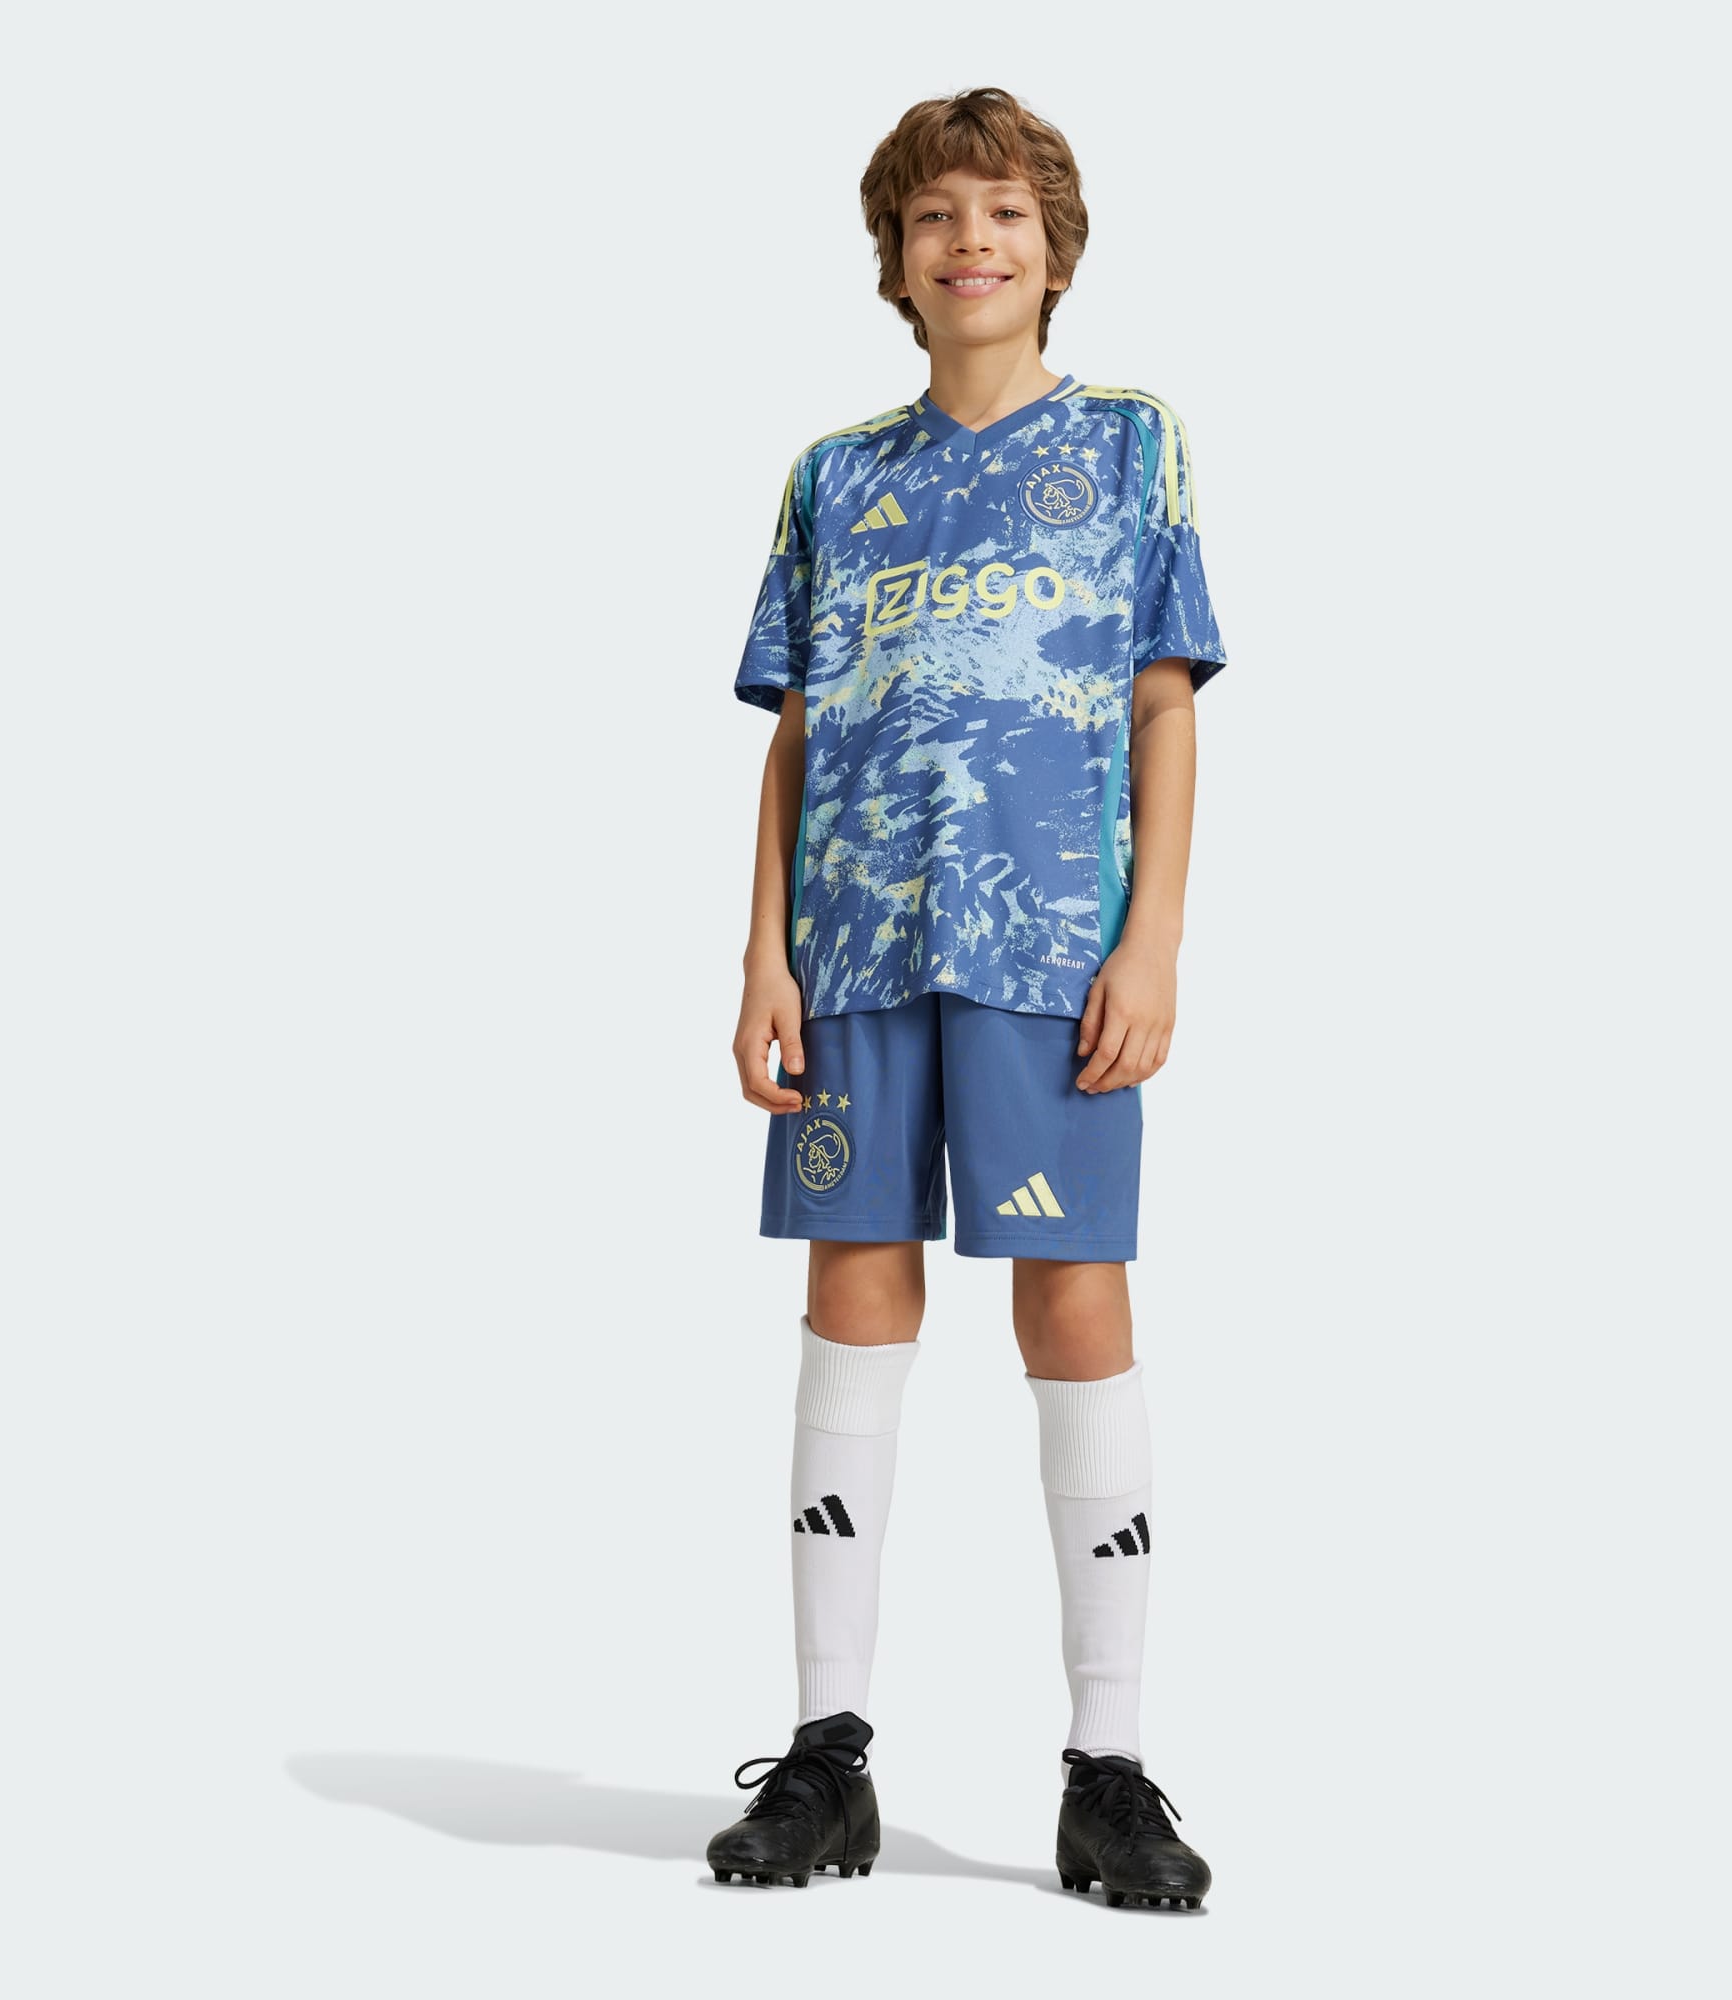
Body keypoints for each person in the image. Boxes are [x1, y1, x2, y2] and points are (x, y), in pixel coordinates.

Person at [707, 84, 1226, 1912]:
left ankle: (1111, 1765)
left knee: (1075, 1298)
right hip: (856, 948)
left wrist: (1152, 940)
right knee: (854, 1297)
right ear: (897, 260)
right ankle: (827, 1753)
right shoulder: (833, 477)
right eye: (936, 217)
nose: (971, 242)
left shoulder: (1133, 447)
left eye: (1003, 212)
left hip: (1047, 948)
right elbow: (794, 735)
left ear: (1054, 249)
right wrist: (763, 952)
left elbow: (1162, 702)